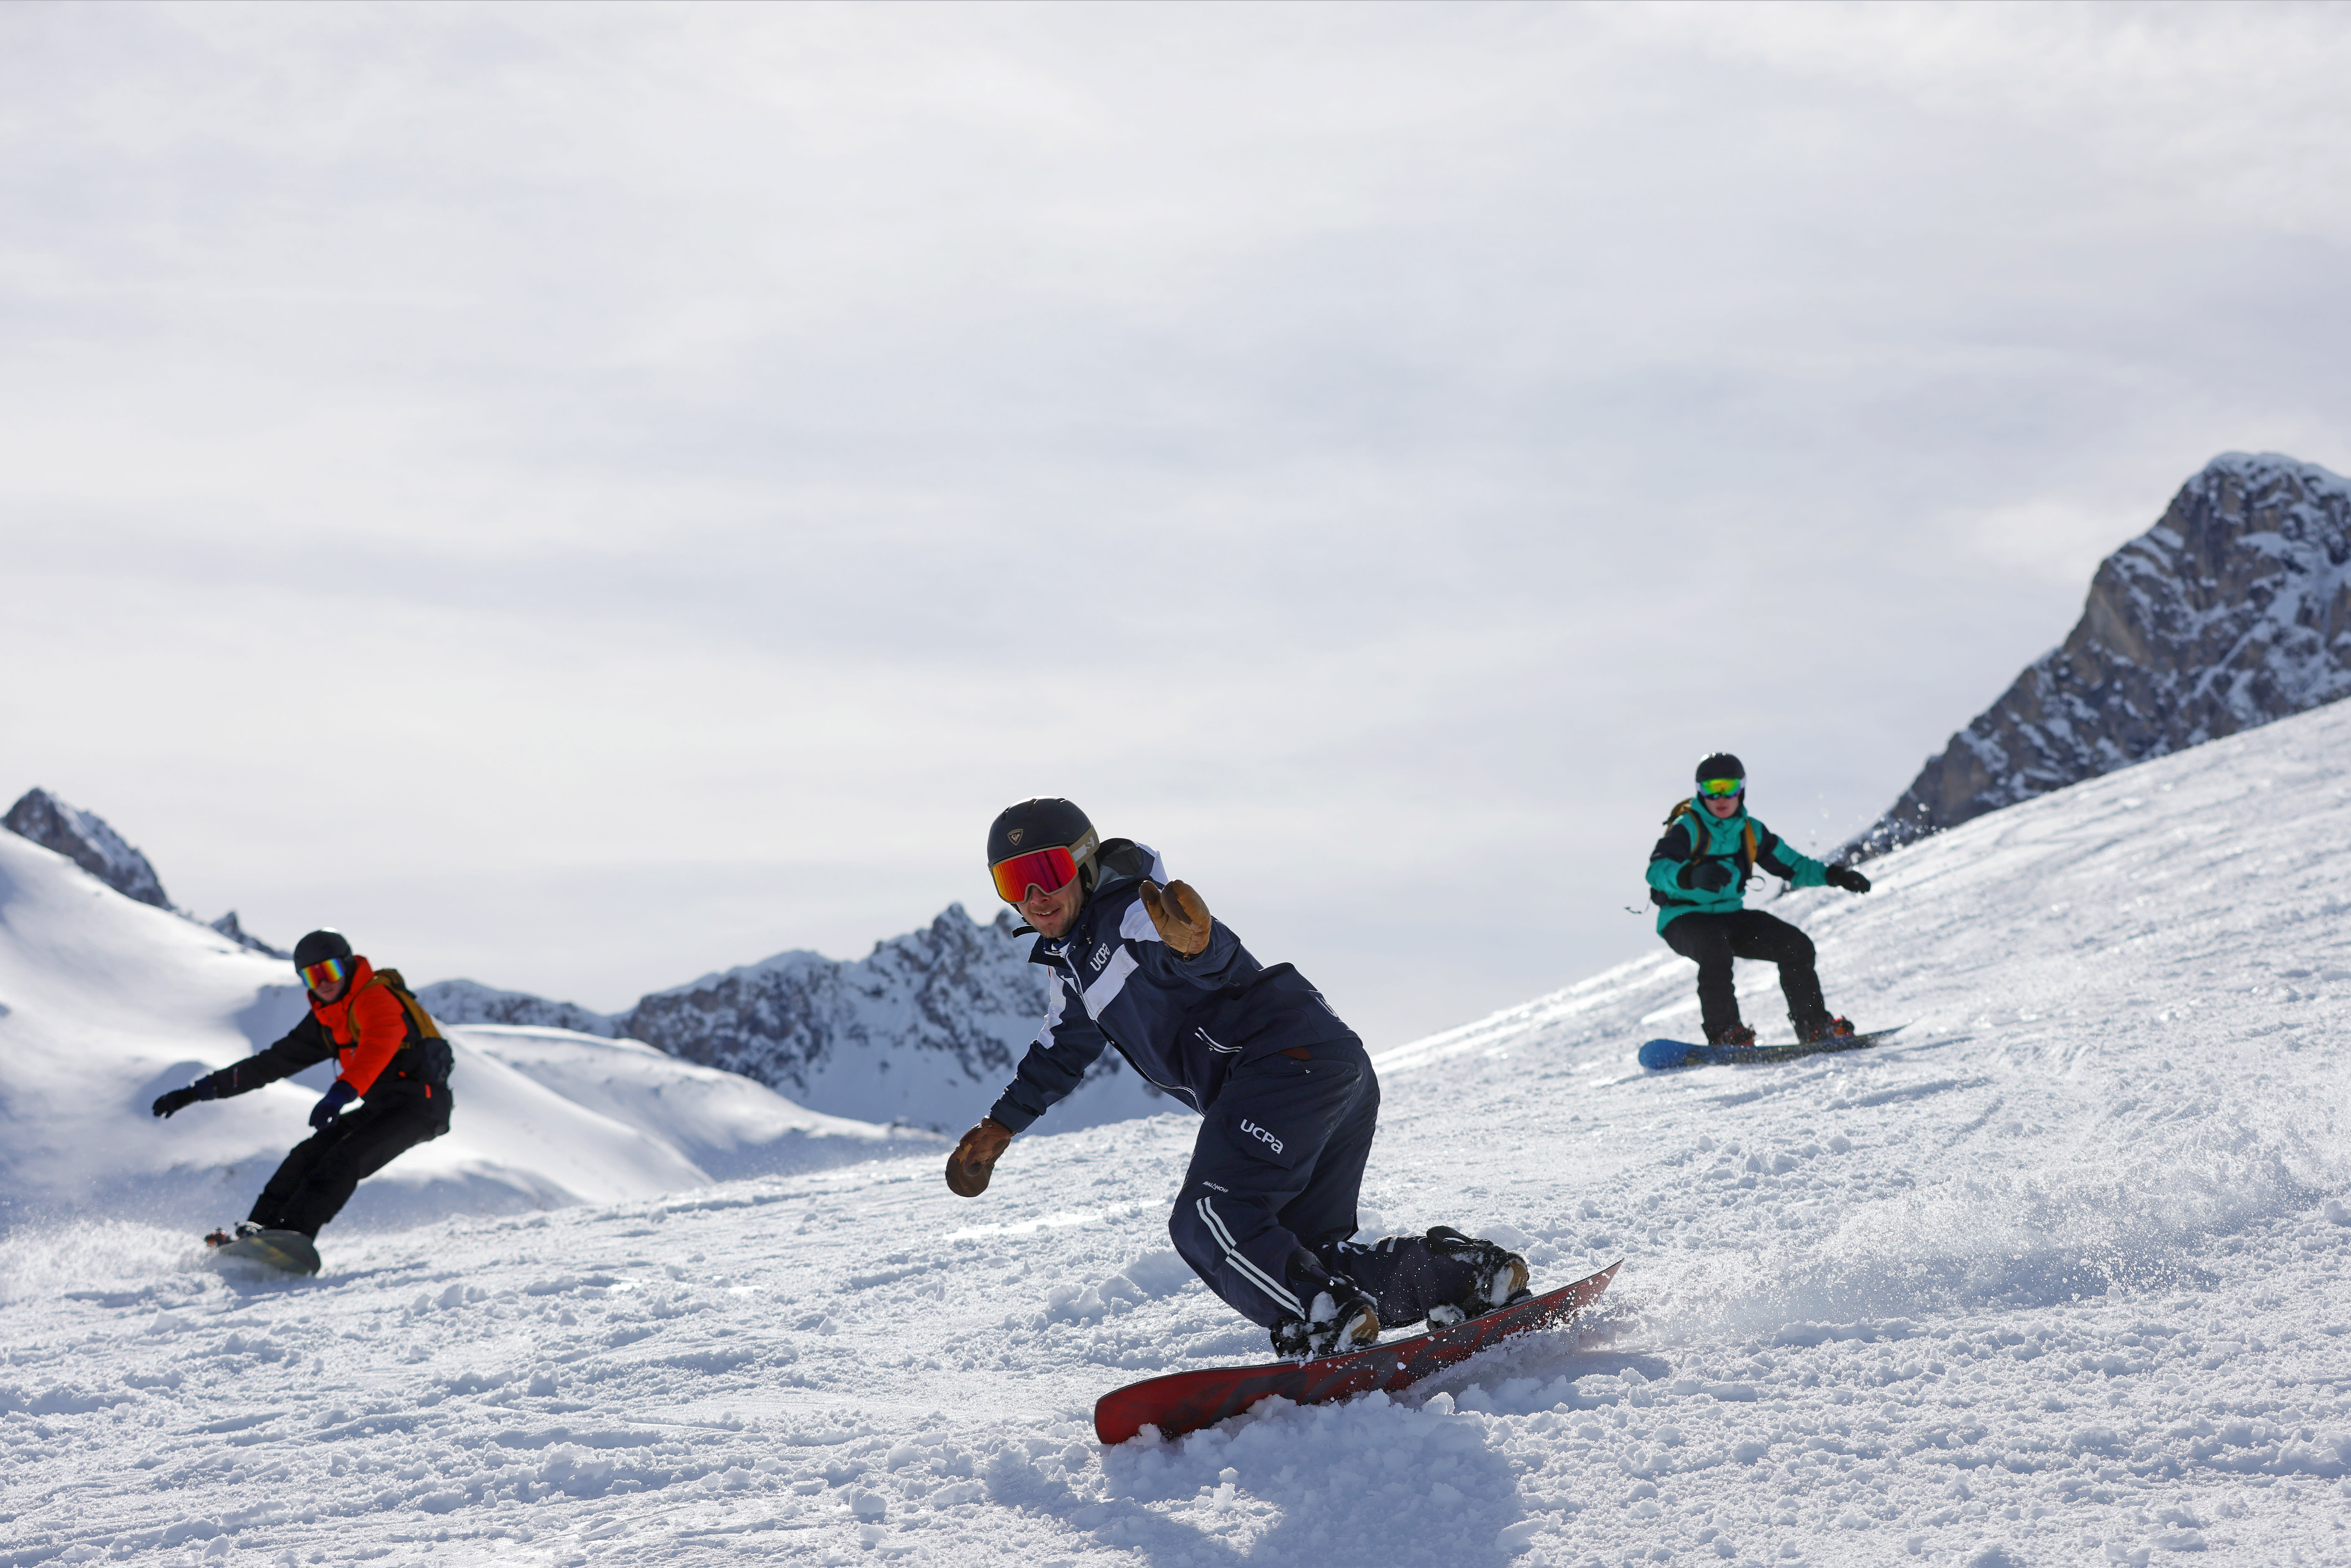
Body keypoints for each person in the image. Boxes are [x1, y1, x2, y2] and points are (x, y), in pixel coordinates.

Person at [945, 798, 1530, 1360]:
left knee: (1208, 1215)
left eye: (1045, 870)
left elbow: (1189, 947)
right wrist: (1001, 1126)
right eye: (1011, 881)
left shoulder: (1129, 912)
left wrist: (1199, 948)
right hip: (1328, 1063)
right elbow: (1060, 1049)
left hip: (1280, 1066)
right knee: (1306, 1252)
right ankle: (1466, 1279)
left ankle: (1321, 1318)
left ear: (1083, 862)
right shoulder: (1073, 964)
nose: (1033, 895)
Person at [151, 929, 453, 1243]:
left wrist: (340, 1093)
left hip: (421, 1105)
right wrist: (196, 1093)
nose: (323, 982)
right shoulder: (328, 1021)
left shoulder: (375, 999)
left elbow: (377, 1048)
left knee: (344, 1160)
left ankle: (292, 1238)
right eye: (312, 976)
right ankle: (257, 1232)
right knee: (306, 1155)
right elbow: (271, 1064)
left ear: (348, 966)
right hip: (383, 1106)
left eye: (330, 970)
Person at [1647, 752, 1872, 1048]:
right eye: (1711, 788)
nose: (1720, 796)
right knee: (1715, 950)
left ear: (1741, 789)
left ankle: (1815, 1027)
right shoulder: (1687, 828)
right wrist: (1691, 876)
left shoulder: (1751, 831)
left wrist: (1835, 876)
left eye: (1728, 787)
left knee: (1796, 945)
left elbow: (1794, 865)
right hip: (1683, 918)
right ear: (1699, 791)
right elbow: (1657, 871)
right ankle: (1726, 1034)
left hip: (1730, 915)